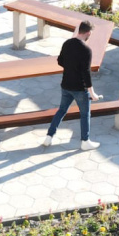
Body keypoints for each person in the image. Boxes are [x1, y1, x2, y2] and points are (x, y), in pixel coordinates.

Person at [42, 21, 101, 151]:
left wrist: (70, 68)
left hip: (65, 85)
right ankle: (85, 141)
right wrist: (92, 92)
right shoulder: (86, 50)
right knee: (85, 114)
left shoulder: (67, 43)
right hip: (80, 89)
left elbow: (60, 61)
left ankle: (49, 136)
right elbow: (86, 73)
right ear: (88, 33)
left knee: (61, 110)